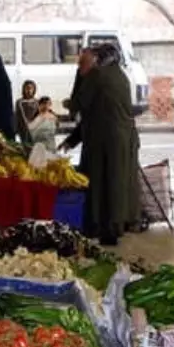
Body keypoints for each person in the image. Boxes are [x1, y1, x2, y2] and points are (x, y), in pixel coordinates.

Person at [69, 43, 141, 246]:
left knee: (102, 184)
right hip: (122, 139)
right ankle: (114, 228)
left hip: (104, 141)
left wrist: (80, 73)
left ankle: (101, 228)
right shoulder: (120, 74)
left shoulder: (96, 76)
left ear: (97, 59)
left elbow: (77, 105)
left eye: (87, 59)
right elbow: (98, 110)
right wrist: (73, 139)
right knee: (116, 183)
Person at [15, 80, 41, 144]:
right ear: (23, 89)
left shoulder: (36, 101)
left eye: (31, 88)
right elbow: (21, 115)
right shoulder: (20, 101)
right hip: (23, 128)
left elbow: (39, 114)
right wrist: (28, 125)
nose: (29, 90)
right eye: (27, 88)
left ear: (34, 89)